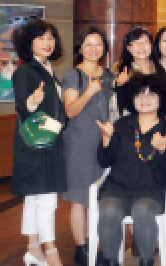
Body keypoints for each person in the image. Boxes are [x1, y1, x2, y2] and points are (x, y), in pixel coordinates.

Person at [94, 73, 166, 266]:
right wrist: (106, 139)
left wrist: (163, 150)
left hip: (152, 190)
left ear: (161, 98)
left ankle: (146, 261)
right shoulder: (122, 125)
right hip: (118, 187)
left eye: (151, 95)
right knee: (108, 210)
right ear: (132, 99)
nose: (145, 100)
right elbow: (104, 161)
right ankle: (111, 261)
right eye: (140, 95)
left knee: (142, 211)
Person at [12, 19, 67, 266]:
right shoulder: (26, 70)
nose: (47, 43)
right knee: (46, 200)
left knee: (34, 199)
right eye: (41, 38)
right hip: (36, 144)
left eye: (50, 38)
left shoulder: (46, 69)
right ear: (29, 42)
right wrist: (32, 101)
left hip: (45, 142)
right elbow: (22, 106)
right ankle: (51, 252)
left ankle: (33, 249)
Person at [61, 26, 114, 266]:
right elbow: (70, 111)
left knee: (98, 196)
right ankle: (81, 250)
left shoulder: (109, 75)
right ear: (80, 48)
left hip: (104, 142)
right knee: (79, 197)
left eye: (98, 44)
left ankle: (94, 247)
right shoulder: (73, 75)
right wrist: (89, 92)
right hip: (80, 143)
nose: (94, 49)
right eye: (88, 44)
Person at [113, 27, 165, 115]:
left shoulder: (160, 69)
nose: (141, 47)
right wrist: (119, 85)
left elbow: (165, 101)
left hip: (156, 120)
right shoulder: (118, 71)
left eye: (145, 42)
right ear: (129, 48)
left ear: (151, 46)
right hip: (129, 120)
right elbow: (117, 107)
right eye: (136, 43)